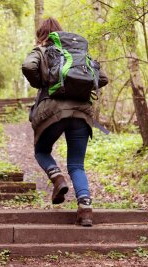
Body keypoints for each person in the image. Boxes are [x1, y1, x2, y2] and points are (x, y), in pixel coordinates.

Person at [22, 18, 108, 227]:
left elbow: (27, 66)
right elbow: (102, 78)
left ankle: (57, 177)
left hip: (51, 110)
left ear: (42, 34)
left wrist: (41, 82)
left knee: (41, 151)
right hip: (81, 112)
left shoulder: (42, 50)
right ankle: (85, 208)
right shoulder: (77, 53)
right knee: (77, 165)